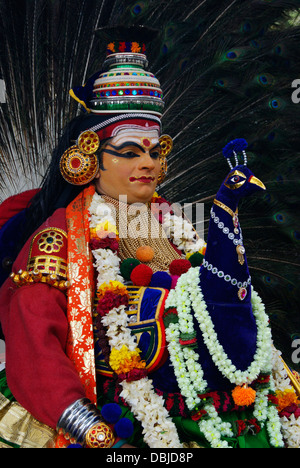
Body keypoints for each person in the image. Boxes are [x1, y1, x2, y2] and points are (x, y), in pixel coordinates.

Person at [0, 27, 299, 449]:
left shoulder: (177, 228)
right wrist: (84, 423)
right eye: (130, 151)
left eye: (156, 151)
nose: (148, 164)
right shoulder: (59, 236)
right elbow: (33, 342)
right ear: (89, 154)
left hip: (196, 405)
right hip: (112, 413)